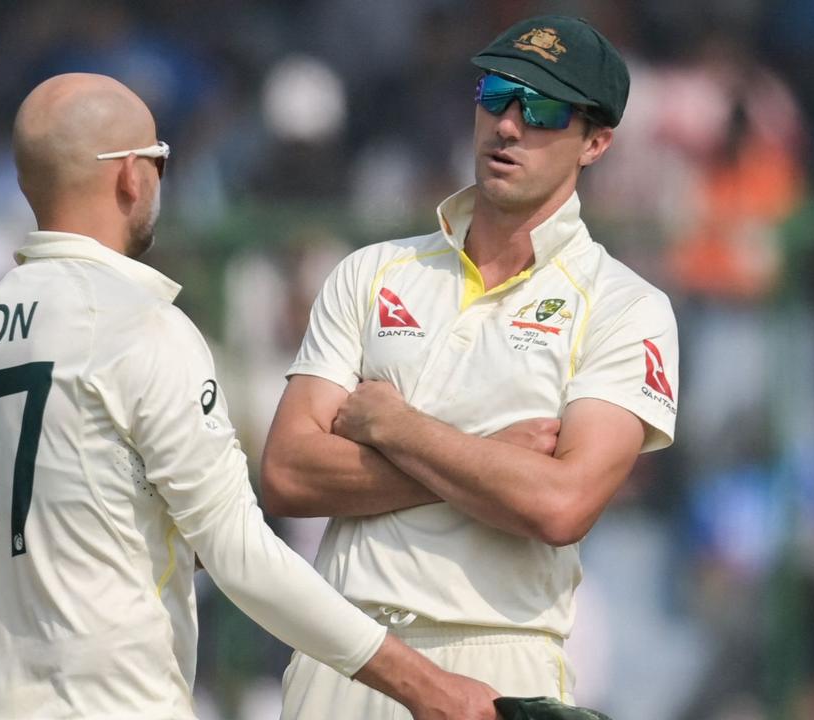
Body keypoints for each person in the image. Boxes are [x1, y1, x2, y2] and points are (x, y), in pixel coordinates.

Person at [0, 73, 499, 720]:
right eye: (159, 162)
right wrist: (429, 687)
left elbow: (82, 523)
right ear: (130, 176)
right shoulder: (138, 323)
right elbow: (239, 552)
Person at [261, 15, 679, 719]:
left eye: (545, 108)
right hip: (341, 649)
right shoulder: (371, 271)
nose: (509, 125)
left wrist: (397, 427)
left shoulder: (625, 306)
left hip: (497, 660)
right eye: (496, 94)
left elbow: (559, 505)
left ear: (597, 142)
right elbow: (287, 474)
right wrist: (485, 461)